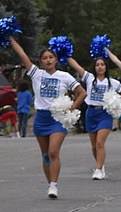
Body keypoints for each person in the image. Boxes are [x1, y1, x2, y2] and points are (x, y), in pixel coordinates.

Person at [9, 36, 86, 199]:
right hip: (41, 118)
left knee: (53, 151)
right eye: (45, 58)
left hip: (57, 119)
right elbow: (22, 55)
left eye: (51, 57)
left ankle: (54, 184)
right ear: (41, 62)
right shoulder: (37, 74)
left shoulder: (65, 76)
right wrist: (10, 39)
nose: (48, 60)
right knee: (45, 154)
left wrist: (71, 108)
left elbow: (82, 93)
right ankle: (50, 183)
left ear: (56, 60)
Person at [66, 54, 121, 179]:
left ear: (106, 67)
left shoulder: (112, 82)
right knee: (94, 145)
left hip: (105, 114)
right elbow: (76, 66)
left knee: (100, 142)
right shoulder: (89, 78)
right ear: (94, 67)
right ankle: (100, 165)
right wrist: (65, 55)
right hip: (91, 113)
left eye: (102, 64)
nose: (100, 67)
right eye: (97, 65)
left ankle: (98, 169)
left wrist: (116, 101)